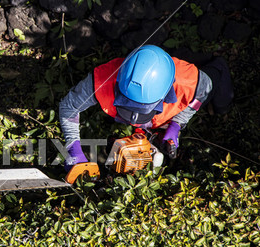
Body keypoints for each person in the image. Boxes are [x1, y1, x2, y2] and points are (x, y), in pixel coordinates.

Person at [59, 44, 233, 170]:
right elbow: (69, 108)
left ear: (165, 95)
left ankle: (215, 62)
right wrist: (73, 148)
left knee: (221, 103)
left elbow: (198, 99)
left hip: (199, 73)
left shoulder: (192, 83)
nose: (133, 117)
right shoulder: (101, 80)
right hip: (153, 63)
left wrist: (177, 124)